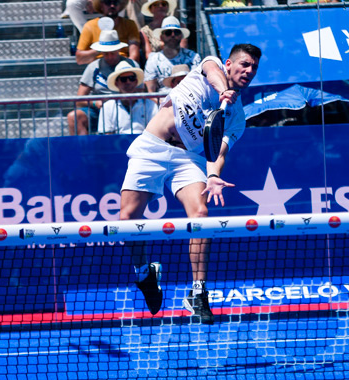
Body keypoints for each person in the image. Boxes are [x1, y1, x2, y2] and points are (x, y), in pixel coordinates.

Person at [119, 43, 261, 324]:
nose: (249, 71)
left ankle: (198, 292)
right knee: (126, 218)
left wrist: (213, 176)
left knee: (201, 215)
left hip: (188, 159)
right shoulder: (206, 66)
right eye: (244, 64)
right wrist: (223, 93)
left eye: (254, 68)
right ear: (229, 64)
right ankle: (145, 274)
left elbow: (218, 152)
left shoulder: (238, 118)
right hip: (152, 147)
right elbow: (213, 74)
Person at [67, 27, 140, 135]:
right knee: (74, 117)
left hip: (128, 106)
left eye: (113, 53)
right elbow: (79, 99)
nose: (109, 57)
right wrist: (95, 103)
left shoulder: (132, 65)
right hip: (99, 109)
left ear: (119, 50)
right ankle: (83, 150)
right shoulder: (93, 67)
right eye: (106, 53)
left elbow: (142, 90)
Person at [143, 16, 200, 94]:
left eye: (176, 32)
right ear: (161, 37)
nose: (173, 35)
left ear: (181, 36)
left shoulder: (193, 57)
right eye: (168, 32)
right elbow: (151, 92)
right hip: (162, 102)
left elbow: (197, 86)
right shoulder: (153, 59)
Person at [98, 61, 157, 134]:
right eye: (123, 79)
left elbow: (156, 132)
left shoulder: (150, 105)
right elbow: (107, 136)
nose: (128, 82)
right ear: (116, 84)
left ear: (136, 81)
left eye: (131, 78)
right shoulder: (107, 107)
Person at [75, 0, 140, 65]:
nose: (112, 6)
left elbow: (134, 55)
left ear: (120, 5)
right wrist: (102, 49)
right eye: (107, 2)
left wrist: (124, 68)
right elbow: (80, 59)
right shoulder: (90, 26)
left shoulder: (129, 24)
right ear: (101, 5)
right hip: (99, 65)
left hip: (123, 64)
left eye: (115, 2)